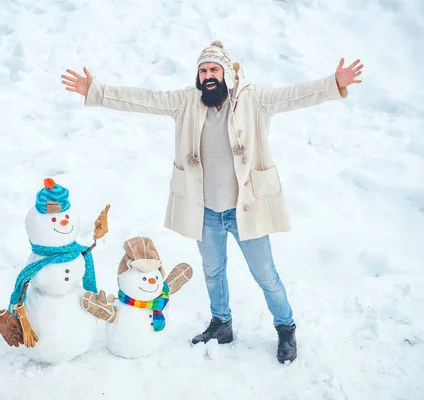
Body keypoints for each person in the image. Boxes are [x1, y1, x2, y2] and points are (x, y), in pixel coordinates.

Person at [60, 41, 363, 363]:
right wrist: (96, 90)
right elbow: (144, 99)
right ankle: (221, 323)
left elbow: (294, 95)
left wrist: (333, 84)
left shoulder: (253, 100)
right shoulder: (187, 102)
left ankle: (286, 327)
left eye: (214, 70)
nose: (208, 76)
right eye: (203, 70)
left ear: (227, 74)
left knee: (266, 275)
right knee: (213, 271)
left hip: (246, 211)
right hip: (206, 211)